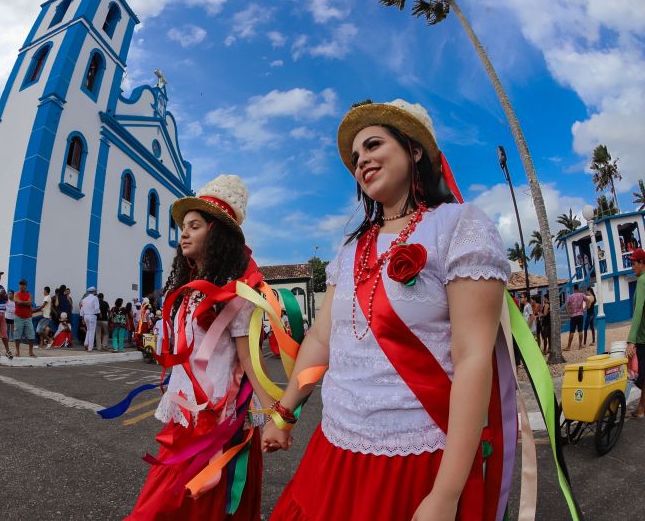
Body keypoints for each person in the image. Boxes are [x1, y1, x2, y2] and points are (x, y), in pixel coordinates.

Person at [265, 100, 514, 520]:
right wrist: (285, 413)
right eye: (355, 158)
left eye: (373, 144)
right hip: (335, 448)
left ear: (414, 150)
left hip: (418, 456)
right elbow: (322, 340)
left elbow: (473, 357)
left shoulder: (458, 226)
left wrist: (446, 494)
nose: (361, 161)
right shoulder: (348, 252)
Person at [127, 175, 270, 519]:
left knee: (197, 502)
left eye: (195, 226)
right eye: (183, 227)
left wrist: (275, 414)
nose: (184, 234)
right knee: (169, 500)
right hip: (187, 412)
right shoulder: (188, 289)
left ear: (217, 234)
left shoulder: (237, 294)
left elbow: (249, 360)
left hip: (219, 420)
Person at [626, 248, 645, 419]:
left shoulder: (641, 281)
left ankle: (641, 408)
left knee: (637, 374)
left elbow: (639, 309)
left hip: (642, 338)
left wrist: (631, 340)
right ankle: (641, 408)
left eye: (634, 263)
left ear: (641, 263)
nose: (632, 267)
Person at [14, 280, 36, 357]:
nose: (22, 286)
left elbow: (30, 302)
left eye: (23, 285)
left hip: (28, 318)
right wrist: (25, 303)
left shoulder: (29, 294)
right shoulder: (16, 294)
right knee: (17, 335)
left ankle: (30, 351)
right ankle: (17, 351)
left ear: (26, 286)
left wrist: (22, 303)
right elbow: (17, 302)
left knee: (31, 335)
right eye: (20, 285)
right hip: (18, 317)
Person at [565, 284, 587, 350]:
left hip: (573, 315)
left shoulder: (570, 296)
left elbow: (566, 305)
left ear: (574, 288)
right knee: (580, 330)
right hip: (580, 314)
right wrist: (584, 308)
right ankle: (580, 345)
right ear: (578, 288)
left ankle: (568, 346)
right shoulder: (582, 295)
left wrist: (568, 313)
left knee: (572, 331)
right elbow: (587, 300)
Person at [80, 286, 100, 351]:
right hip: (92, 316)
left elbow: (82, 309)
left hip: (85, 316)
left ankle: (86, 343)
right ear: (94, 291)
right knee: (92, 331)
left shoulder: (84, 299)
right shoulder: (95, 298)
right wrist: (98, 312)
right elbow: (97, 308)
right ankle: (90, 348)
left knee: (88, 330)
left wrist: (82, 317)